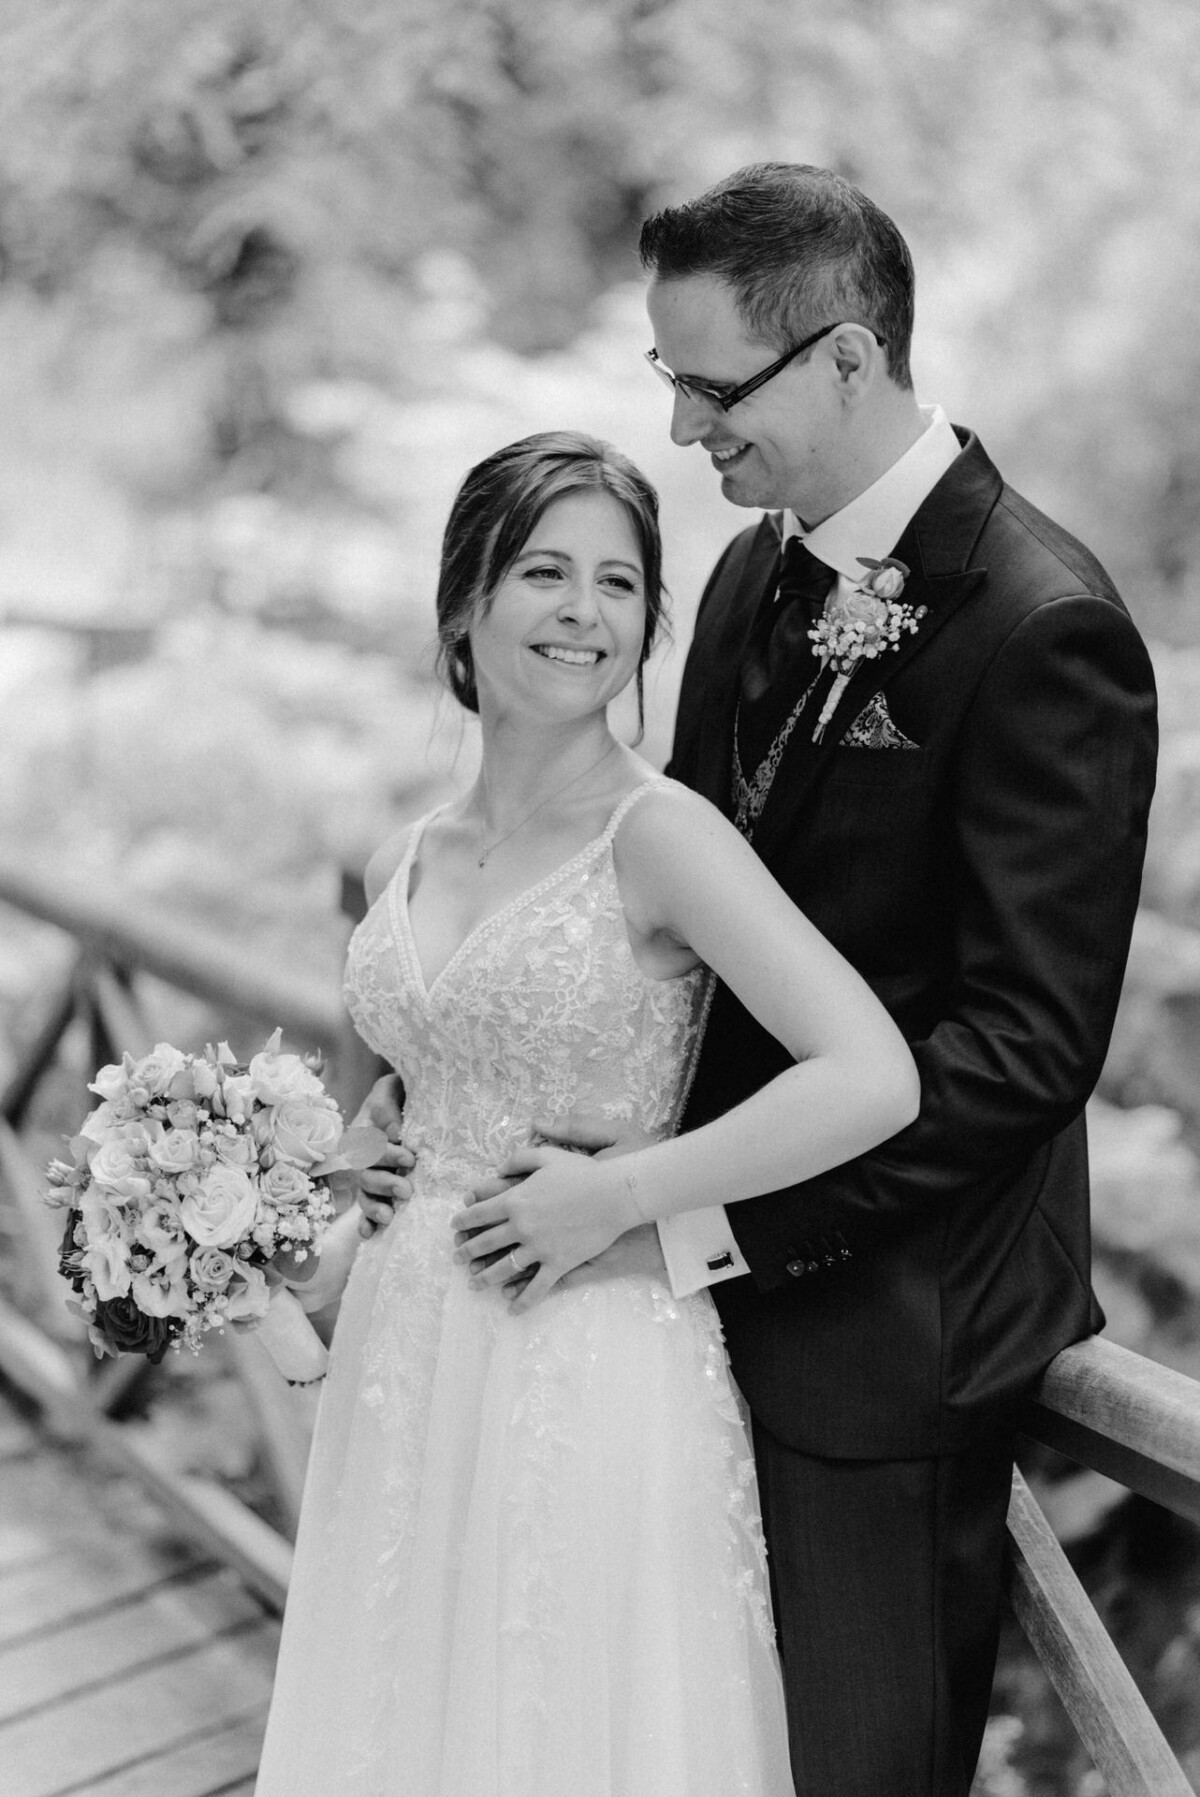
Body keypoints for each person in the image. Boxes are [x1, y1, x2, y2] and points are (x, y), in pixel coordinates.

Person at [405, 167, 1159, 1795]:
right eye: (665, 381)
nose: (684, 432)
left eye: (709, 385)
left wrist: (681, 1213)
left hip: (889, 1342)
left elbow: (1021, 1048)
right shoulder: (754, 572)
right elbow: (655, 933)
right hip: (653, 1320)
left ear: (846, 356)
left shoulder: (1045, 627)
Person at [254, 429, 918, 1796]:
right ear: (465, 600)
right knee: (400, 1711)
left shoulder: (662, 836)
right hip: (404, 1354)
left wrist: (626, 1191)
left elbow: (870, 1071)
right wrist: (353, 1153)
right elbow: (398, 1068)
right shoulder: (400, 854)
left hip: (586, 1344)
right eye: (544, 571)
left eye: (620, 585)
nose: (584, 612)